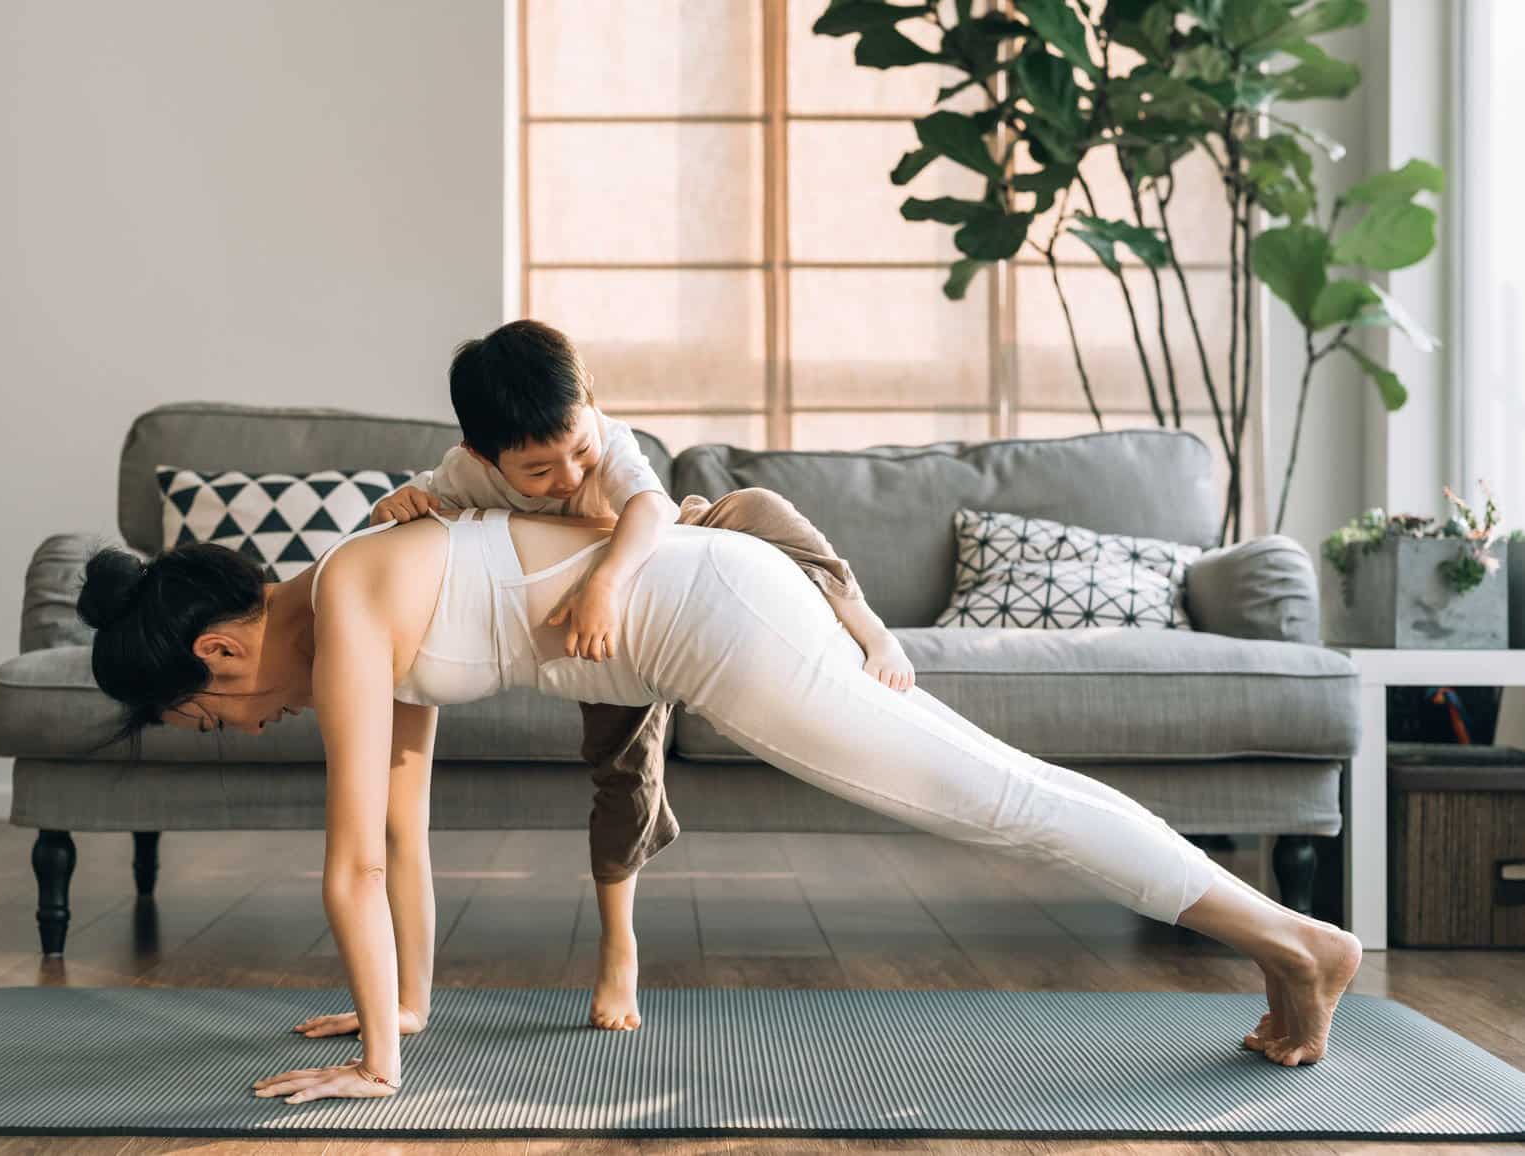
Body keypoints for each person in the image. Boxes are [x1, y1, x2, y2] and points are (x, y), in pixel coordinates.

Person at [78, 504, 1363, 1107]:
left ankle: (1296, 946)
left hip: (717, 623)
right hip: (718, 594)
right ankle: (1288, 943)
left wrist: (376, 1067)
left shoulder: (349, 599)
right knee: (1003, 787)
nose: (248, 728)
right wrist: (403, 1006)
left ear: (220, 654)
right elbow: (405, 824)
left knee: (996, 801)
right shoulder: (355, 590)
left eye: (213, 720)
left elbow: (349, 860)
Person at [372, 318, 913, 1031]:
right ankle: (617, 942)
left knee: (760, 509)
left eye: (578, 453)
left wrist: (608, 584)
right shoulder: (464, 471)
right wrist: (396, 505)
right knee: (624, 775)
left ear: (589, 406)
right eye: (538, 472)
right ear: (482, 453)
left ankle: (870, 629)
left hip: (664, 565)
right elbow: (414, 514)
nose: (567, 478)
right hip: (615, 648)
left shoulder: (608, 441)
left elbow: (650, 506)